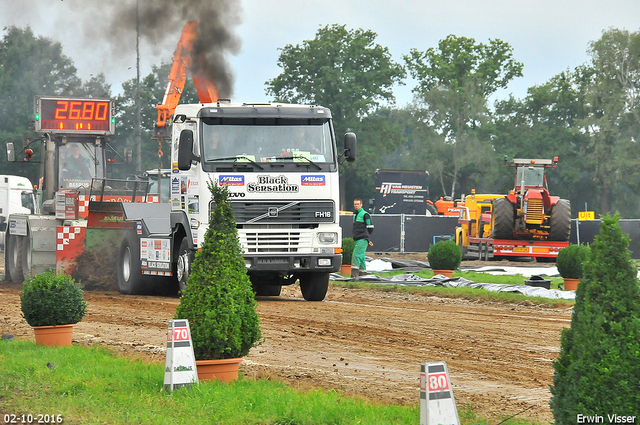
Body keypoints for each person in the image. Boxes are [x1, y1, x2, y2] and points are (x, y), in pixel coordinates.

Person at [351, 198, 374, 278]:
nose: (356, 206)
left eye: (357, 204)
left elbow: (370, 227)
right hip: (357, 238)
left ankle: (354, 276)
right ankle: (363, 275)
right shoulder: (355, 215)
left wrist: (366, 237)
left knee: (356, 255)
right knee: (361, 257)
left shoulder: (365, 214)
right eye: (355, 204)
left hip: (362, 238)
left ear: (361, 205)